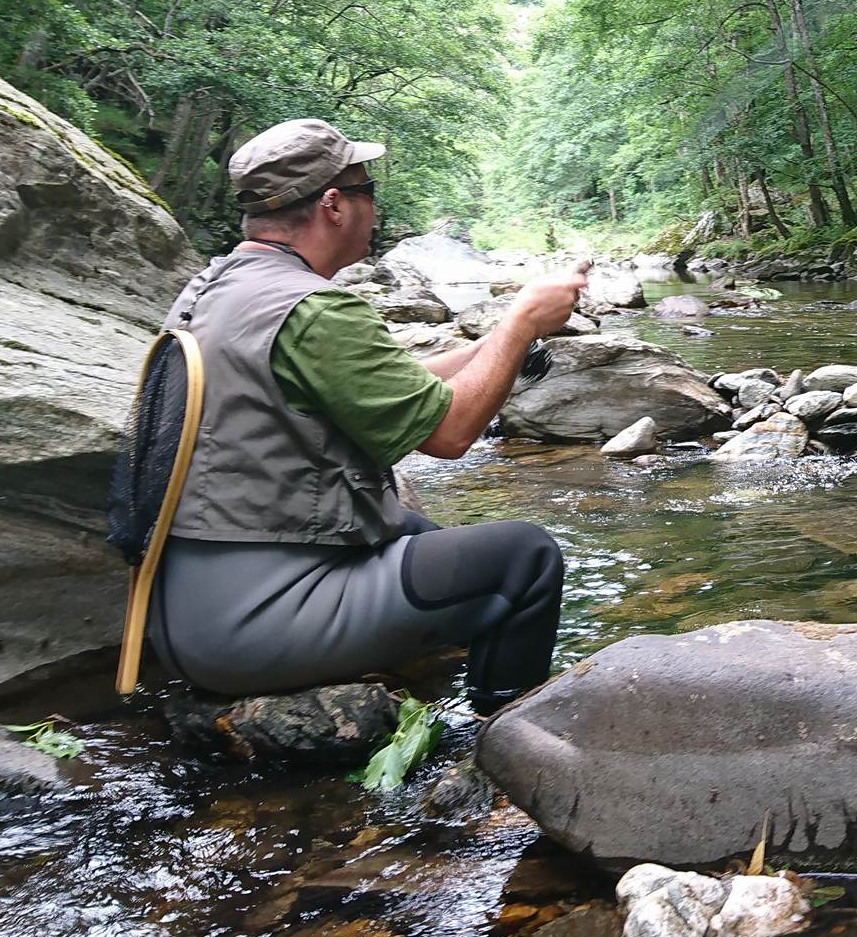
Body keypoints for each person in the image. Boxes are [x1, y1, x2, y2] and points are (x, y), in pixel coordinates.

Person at [141, 117, 587, 709]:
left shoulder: (216, 287)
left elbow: (390, 389)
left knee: (418, 530)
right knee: (525, 558)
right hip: (253, 627)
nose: (373, 207)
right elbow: (450, 434)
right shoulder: (312, 310)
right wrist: (522, 321)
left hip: (186, 607)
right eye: (367, 190)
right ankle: (503, 737)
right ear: (333, 205)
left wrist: (495, 342)